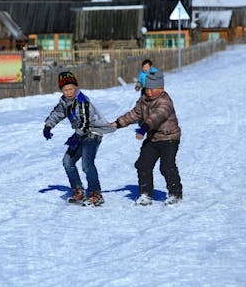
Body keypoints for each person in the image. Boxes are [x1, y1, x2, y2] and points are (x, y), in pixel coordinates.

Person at [111, 70, 183, 206]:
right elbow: (134, 114)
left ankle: (175, 193)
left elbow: (157, 116)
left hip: (169, 138)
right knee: (143, 165)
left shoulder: (165, 102)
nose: (149, 92)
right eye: (147, 88)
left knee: (167, 166)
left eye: (152, 89)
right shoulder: (144, 100)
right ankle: (146, 194)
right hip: (153, 138)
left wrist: (144, 128)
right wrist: (118, 123)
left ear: (161, 89)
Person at [43, 71, 114, 206]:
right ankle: (78, 191)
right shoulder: (64, 101)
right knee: (67, 161)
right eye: (65, 90)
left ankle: (96, 194)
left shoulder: (82, 100)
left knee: (87, 164)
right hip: (80, 134)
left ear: (76, 87)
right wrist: (47, 126)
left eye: (71, 89)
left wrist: (76, 136)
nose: (69, 92)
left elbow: (86, 123)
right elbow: (57, 113)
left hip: (93, 132)